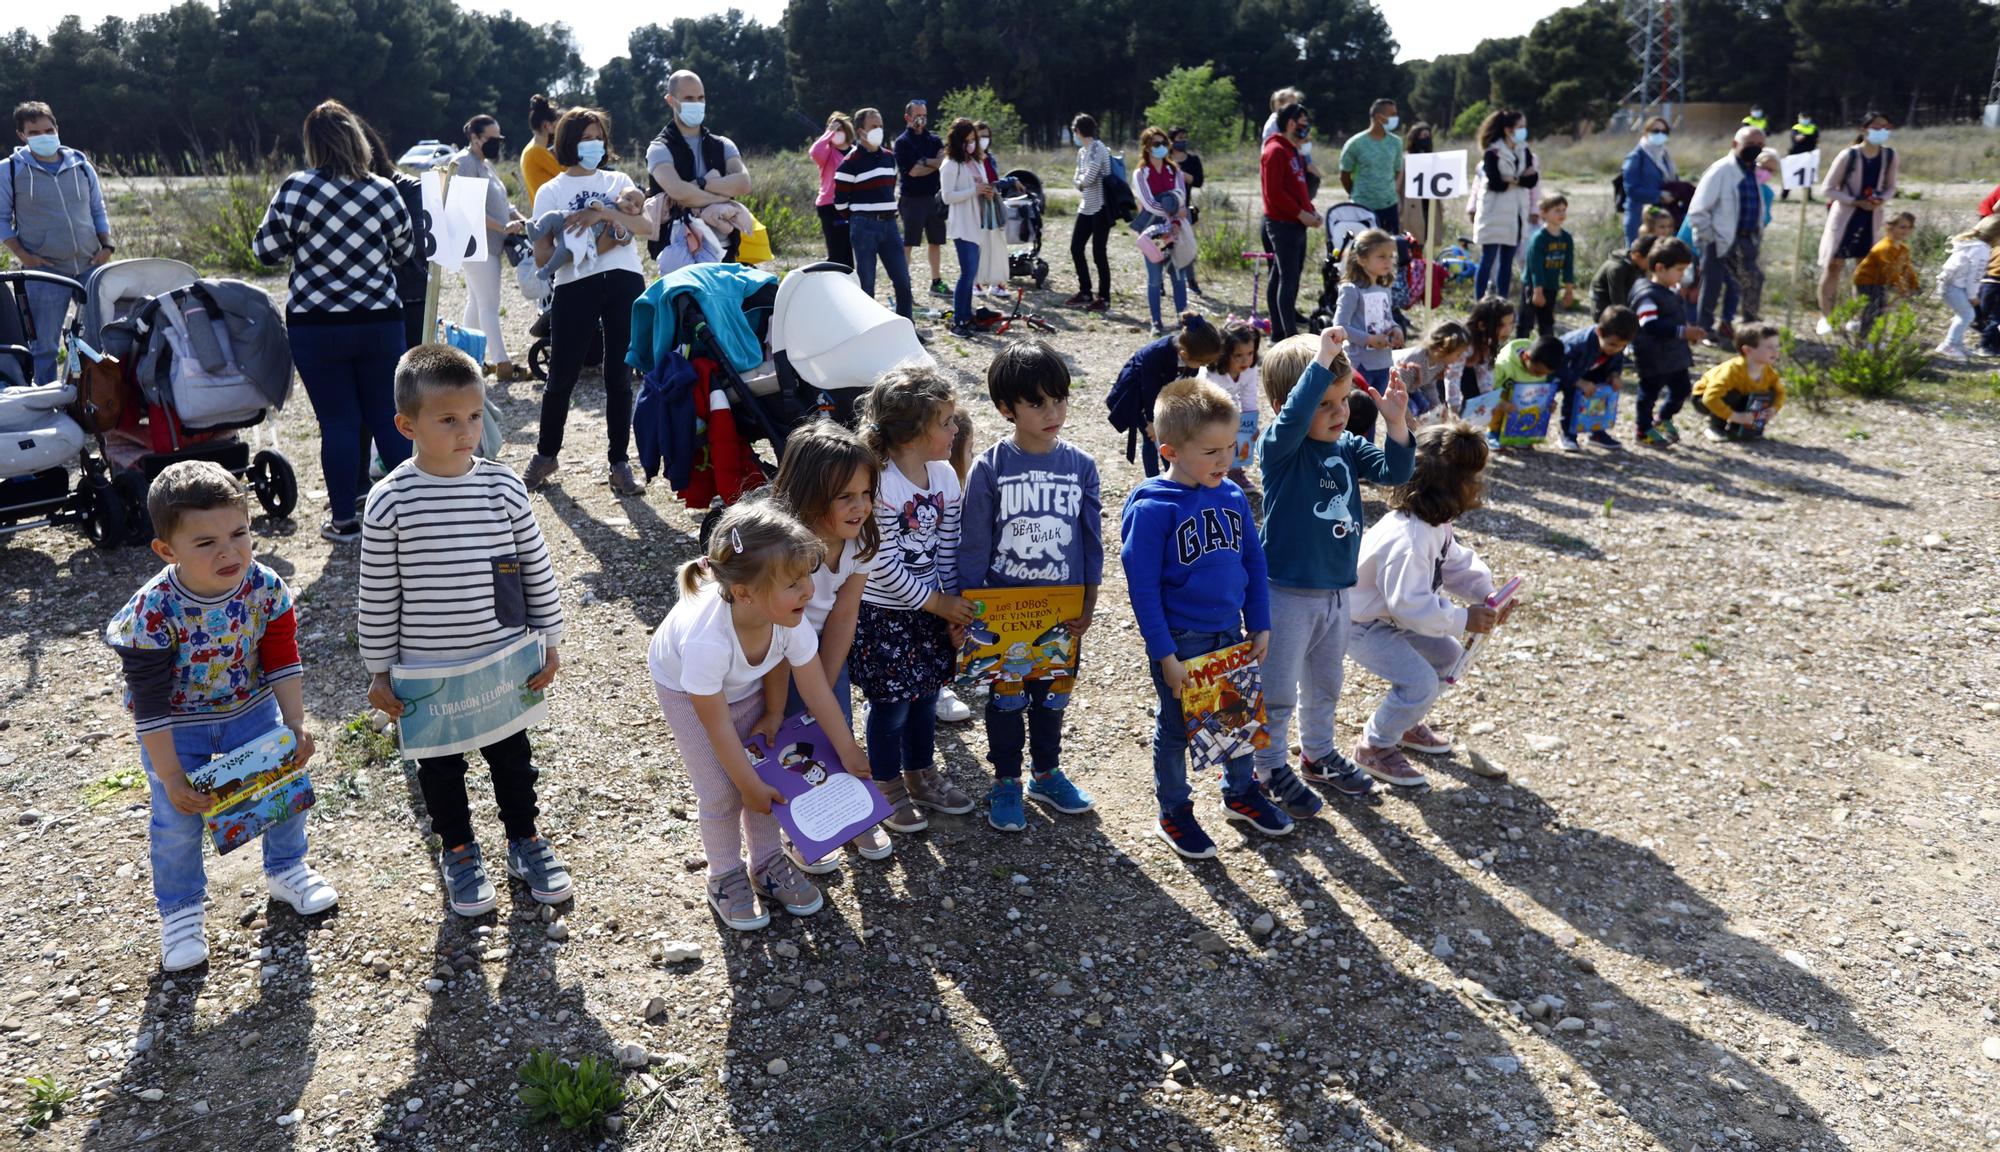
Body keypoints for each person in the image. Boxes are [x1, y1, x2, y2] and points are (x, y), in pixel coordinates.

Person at [357, 345, 568, 915]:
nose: (466, 430)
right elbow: (378, 595)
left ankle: (524, 840)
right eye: (447, 420)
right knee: (441, 767)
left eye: (475, 416)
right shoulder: (390, 503)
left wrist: (549, 639)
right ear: (407, 425)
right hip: (428, 671)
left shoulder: (503, 489)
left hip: (502, 659)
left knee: (512, 756)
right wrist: (379, 670)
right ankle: (458, 848)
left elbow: (535, 568)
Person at [105, 460, 337, 971]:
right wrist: (169, 774)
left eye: (239, 533)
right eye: (205, 543)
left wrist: (294, 722)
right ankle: (181, 913)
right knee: (176, 816)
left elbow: (281, 656)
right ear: (167, 551)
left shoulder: (265, 587)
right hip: (176, 722)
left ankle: (286, 870)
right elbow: (149, 704)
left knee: (279, 789)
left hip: (249, 705)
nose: (229, 551)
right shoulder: (151, 614)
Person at [647, 500, 867, 931]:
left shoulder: (786, 616)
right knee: (722, 791)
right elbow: (715, 724)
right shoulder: (707, 642)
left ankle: (767, 863)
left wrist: (847, 748)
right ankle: (725, 874)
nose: (809, 590)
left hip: (741, 682)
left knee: (769, 773)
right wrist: (747, 784)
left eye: (808, 575)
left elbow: (817, 690)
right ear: (744, 592)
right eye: (793, 582)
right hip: (687, 691)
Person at [1252, 327, 1415, 797]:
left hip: (1336, 593)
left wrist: (1396, 423)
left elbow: (1396, 473)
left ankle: (1317, 754)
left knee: (1325, 685)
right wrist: (1322, 357)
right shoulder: (1280, 448)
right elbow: (1296, 414)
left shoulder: (1346, 446)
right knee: (1278, 692)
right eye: (1324, 403)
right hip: (1285, 594)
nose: (1340, 412)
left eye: (1343, 401)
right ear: (1293, 404)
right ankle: (1266, 768)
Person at [1120, 376, 1279, 858]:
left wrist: (1261, 620)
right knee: (1175, 728)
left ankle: (1241, 793)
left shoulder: (1230, 495)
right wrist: (1164, 653)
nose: (1225, 460)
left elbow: (1254, 562)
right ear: (1169, 450)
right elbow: (1142, 589)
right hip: (1182, 640)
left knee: (1237, 717)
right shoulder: (1152, 508)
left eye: (1230, 447)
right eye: (1211, 452)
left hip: (1230, 630)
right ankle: (1174, 810)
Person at [956, 340, 1103, 833]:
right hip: (1004, 613)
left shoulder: (1080, 465)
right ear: (1006, 408)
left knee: (1053, 695)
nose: (1052, 411)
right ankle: (1006, 780)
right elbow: (973, 543)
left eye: (1059, 399)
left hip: (1061, 612)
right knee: (1006, 697)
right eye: (1037, 402)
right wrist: (969, 608)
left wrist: (1090, 599)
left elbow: (1090, 540)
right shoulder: (990, 467)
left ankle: (1046, 771)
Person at [252, 99, 414, 543]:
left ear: (312, 145)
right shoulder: (383, 190)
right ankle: (410, 517)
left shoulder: (297, 188)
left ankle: (344, 518)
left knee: (339, 422)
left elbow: (263, 251)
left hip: (317, 323)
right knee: (388, 416)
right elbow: (403, 253)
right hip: (379, 318)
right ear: (358, 141)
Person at [1347, 422, 1510, 790]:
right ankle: (1374, 744)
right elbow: (1409, 606)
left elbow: (1455, 563)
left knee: (1450, 658)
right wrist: (1462, 618)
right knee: (1418, 681)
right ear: (1454, 488)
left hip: (1391, 614)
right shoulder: (1410, 538)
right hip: (1360, 623)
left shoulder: (1433, 523)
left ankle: (1403, 723)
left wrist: (1486, 595)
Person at [764, 420, 896, 872]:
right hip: (775, 645)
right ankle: (799, 829)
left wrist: (823, 674)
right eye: (846, 497)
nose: (861, 507)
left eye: (866, 493)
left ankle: (850, 813)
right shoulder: (787, 547)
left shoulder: (862, 541)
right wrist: (806, 678)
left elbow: (845, 612)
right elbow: (775, 626)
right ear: (809, 496)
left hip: (822, 645)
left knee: (836, 720)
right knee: (786, 735)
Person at [853, 366, 979, 834]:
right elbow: (880, 561)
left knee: (927, 696)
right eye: (946, 421)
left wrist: (950, 604)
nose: (955, 430)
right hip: (885, 612)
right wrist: (935, 603)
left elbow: (948, 545)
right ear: (913, 431)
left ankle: (920, 773)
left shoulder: (944, 475)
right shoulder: (879, 480)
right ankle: (886, 785)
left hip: (929, 608)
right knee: (891, 705)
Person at [525, 109, 654, 495]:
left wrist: (603, 213)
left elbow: (645, 227)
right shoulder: (551, 189)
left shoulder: (619, 180)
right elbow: (541, 254)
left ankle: (619, 462)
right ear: (568, 142)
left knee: (620, 375)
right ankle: (546, 454)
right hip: (574, 284)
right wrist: (600, 241)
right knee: (561, 374)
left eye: (599, 136)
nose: (594, 144)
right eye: (585, 137)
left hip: (623, 281)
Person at [1, 101, 113, 382]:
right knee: (44, 347)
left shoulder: (81, 164)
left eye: (48, 129)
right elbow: (1, 219)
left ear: (57, 128)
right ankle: (46, 406)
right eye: (35, 132)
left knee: (104, 340)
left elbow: (97, 209)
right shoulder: (9, 170)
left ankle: (101, 404)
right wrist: (25, 257)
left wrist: (107, 247)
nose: (44, 136)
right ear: (21, 135)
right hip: (45, 270)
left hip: (90, 265)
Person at [646, 70, 754, 260]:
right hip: (678, 250)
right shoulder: (659, 149)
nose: (696, 104)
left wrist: (702, 183)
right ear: (671, 101)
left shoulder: (723, 145)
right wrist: (723, 195)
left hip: (724, 248)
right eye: (689, 98)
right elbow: (680, 193)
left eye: (701, 98)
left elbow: (744, 184)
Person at [451, 115, 527, 382]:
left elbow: (499, 202)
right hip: (477, 245)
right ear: (475, 138)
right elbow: (467, 208)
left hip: (489, 244)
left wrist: (515, 216)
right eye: (493, 139)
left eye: (499, 139)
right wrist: (502, 227)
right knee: (489, 304)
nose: (497, 144)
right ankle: (502, 362)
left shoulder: (485, 164)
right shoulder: (464, 163)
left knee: (476, 302)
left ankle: (463, 359)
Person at [1106, 313, 1224, 477]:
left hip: (1165, 393)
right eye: (1202, 363)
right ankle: (1153, 479)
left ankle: (1172, 475)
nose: (1204, 367)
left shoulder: (1191, 352)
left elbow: (1184, 382)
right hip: (1139, 397)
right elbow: (1149, 390)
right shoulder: (1156, 354)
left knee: (1171, 438)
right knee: (1150, 439)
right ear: (1184, 355)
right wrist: (1151, 422)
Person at [1816, 112, 1899, 332]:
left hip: (1871, 218)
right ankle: (1826, 317)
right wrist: (1854, 201)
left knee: (1863, 269)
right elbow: (1828, 188)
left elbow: (1891, 186)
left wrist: (1880, 199)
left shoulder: (1890, 156)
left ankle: (1857, 316)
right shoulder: (1848, 156)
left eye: (1885, 127)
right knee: (1834, 266)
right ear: (1864, 129)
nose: (1882, 131)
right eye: (1876, 127)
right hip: (1846, 217)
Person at [1686, 125, 1768, 340]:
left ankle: (1750, 327)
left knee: (1753, 280)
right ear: (1735, 144)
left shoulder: (1752, 172)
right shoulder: (1721, 170)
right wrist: (1708, 236)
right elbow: (1698, 209)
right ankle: (1704, 329)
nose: (1756, 149)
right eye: (1750, 144)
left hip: (1745, 239)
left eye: (1760, 145)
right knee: (1711, 285)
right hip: (1717, 239)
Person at [834, 108, 915, 321]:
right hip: (864, 227)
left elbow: (891, 187)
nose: (879, 130)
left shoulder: (889, 158)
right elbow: (840, 202)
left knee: (903, 280)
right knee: (867, 283)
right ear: (861, 131)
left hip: (890, 226)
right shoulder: (849, 163)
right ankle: (866, 328)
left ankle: (907, 326)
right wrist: (858, 218)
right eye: (874, 127)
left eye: (881, 126)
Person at [1628, 237, 1705, 446]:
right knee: (1648, 394)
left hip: (1673, 355)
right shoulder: (1647, 295)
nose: (1682, 275)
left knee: (1681, 389)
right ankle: (1643, 430)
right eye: (1679, 270)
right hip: (1652, 356)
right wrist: (1682, 332)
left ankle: (1663, 418)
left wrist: (1688, 333)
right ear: (1660, 268)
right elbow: (1649, 325)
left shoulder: (1668, 290)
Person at [1260, 103, 1321, 340]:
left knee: (1281, 275)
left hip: (1297, 223)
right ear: (1291, 123)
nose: (1306, 126)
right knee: (1288, 278)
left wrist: (1311, 211)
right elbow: (1274, 193)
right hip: (1282, 224)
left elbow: (1298, 187)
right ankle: (1287, 334)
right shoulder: (1274, 150)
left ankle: (1279, 330)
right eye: (1303, 121)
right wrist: (1300, 214)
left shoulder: (1292, 150)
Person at [1334, 228, 1403, 434]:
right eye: (1381, 256)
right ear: (1362, 260)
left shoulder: (1384, 288)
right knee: (1358, 417)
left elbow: (1386, 318)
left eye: (1390, 256)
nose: (1388, 261)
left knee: (1373, 417)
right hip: (1359, 365)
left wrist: (1396, 328)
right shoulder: (1351, 290)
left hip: (1383, 363)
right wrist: (1369, 339)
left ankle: (1367, 459)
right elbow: (1340, 326)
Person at [939, 117, 997, 338]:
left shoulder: (977, 161)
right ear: (957, 141)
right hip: (962, 225)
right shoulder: (950, 164)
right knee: (967, 273)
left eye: (973, 139)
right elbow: (947, 197)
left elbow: (982, 186)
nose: (971, 144)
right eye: (967, 140)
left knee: (971, 274)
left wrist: (987, 191)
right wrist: (975, 190)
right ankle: (958, 320)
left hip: (978, 223)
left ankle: (967, 316)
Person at [1551, 306, 1637, 451]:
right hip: (1563, 374)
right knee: (1573, 397)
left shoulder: (1614, 345)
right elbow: (1556, 364)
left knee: (1601, 394)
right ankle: (1568, 434)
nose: (1616, 349)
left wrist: (1614, 375)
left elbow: (1616, 361)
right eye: (1613, 344)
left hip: (1590, 372)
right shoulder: (1577, 343)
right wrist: (1578, 381)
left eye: (1622, 346)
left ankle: (1596, 432)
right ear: (1599, 332)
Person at [1473, 108, 1538, 300]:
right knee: (1488, 258)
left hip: (1516, 213)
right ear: (1508, 129)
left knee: (1507, 262)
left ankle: (1502, 301)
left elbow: (1532, 179)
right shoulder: (1493, 152)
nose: (1523, 131)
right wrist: (1518, 179)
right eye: (1520, 127)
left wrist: (1512, 179)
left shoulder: (1524, 150)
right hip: (1494, 213)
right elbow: (1495, 182)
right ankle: (1479, 301)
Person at [1132, 126, 1190, 335]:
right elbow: (1148, 203)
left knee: (1178, 277)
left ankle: (1183, 321)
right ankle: (1156, 322)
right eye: (1156, 144)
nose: (1161, 148)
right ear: (1146, 148)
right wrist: (1172, 211)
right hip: (1152, 232)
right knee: (1155, 278)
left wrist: (1174, 218)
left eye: (1164, 143)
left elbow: (1181, 197)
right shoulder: (1140, 174)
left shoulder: (1175, 171)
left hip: (1175, 230)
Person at [893, 99, 948, 298]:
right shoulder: (902, 142)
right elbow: (913, 172)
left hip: (934, 198)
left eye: (924, 114)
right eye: (917, 114)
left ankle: (936, 282)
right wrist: (931, 163)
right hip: (912, 199)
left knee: (936, 241)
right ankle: (904, 286)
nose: (921, 118)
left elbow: (942, 163)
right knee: (909, 243)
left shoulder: (934, 140)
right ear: (907, 117)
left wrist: (925, 161)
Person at [1696, 321, 1786, 441]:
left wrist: (1773, 409)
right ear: (1747, 350)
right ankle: (1716, 427)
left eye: (1777, 346)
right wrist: (1734, 416)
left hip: (1736, 398)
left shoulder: (1769, 373)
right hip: (1703, 398)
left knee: (1768, 393)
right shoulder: (1732, 370)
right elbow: (1710, 398)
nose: (1775, 351)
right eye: (1769, 347)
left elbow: (1780, 393)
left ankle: (1739, 429)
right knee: (1732, 395)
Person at [1201, 320, 1263, 487]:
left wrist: (1251, 423)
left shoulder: (1250, 369)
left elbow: (1248, 396)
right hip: (1205, 408)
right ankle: (1209, 474)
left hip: (1229, 405)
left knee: (1245, 431)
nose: (1245, 360)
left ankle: (1236, 472)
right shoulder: (1213, 374)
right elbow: (1212, 404)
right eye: (1238, 355)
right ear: (1225, 353)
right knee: (1216, 440)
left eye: (1250, 353)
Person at [1934, 215, 2000, 360]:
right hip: (1953, 287)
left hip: (1949, 284)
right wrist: (1972, 296)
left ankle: (1957, 345)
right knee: (1967, 315)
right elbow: (1975, 276)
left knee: (1965, 315)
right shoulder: (1982, 250)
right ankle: (1949, 345)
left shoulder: (1972, 243)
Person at [1483, 334, 1564, 451]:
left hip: (1526, 400)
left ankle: (1520, 437)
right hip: (1503, 398)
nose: (1539, 376)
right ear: (1526, 357)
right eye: (1537, 372)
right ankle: (1493, 432)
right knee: (1502, 396)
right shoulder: (1505, 365)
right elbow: (1487, 387)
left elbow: (1543, 389)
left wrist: (1549, 402)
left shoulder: (1541, 366)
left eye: (1544, 374)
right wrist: (1501, 403)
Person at [1065, 114, 1113, 311]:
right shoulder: (1081, 152)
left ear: (1077, 131)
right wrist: (1080, 182)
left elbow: (1089, 178)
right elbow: (1079, 176)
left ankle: (1104, 297)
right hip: (1085, 206)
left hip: (1101, 207)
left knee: (1098, 252)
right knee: (1076, 248)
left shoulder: (1099, 149)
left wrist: (1079, 182)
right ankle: (1085, 290)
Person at [1340, 98, 1405, 235]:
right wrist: (1357, 194)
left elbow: (1398, 170)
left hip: (1389, 205)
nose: (1395, 118)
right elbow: (1345, 175)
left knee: (1390, 248)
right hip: (1362, 206)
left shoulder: (1396, 143)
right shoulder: (1355, 143)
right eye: (1391, 114)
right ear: (1378, 117)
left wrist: (1392, 191)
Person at [1517, 193, 1575, 340]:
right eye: (1557, 210)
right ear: (1543, 213)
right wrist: (1537, 291)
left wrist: (1569, 291)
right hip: (1532, 286)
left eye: (1563, 210)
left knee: (1547, 323)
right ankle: (1518, 352)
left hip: (1551, 286)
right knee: (1526, 323)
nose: (1561, 214)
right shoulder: (1539, 238)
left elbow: (1568, 265)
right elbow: (1535, 268)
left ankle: (1546, 354)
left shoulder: (1566, 238)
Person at [1853, 211, 1918, 336]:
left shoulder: (1903, 248)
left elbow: (1907, 269)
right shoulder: (1885, 247)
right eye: (1902, 227)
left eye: (1910, 227)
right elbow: (1889, 270)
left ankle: (1872, 337)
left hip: (1879, 282)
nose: (1906, 231)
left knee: (1881, 309)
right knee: (1873, 309)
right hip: (1867, 280)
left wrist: (1914, 285)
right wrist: (1902, 289)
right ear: (1890, 227)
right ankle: (1864, 339)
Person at [1392, 320, 1472, 421]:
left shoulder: (1439, 362)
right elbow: (1397, 393)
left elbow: (1429, 386)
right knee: (1413, 410)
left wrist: (1437, 407)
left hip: (1410, 388)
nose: (1460, 358)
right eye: (1458, 354)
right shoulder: (1413, 363)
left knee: (1427, 410)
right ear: (1444, 348)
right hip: (1395, 388)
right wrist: (1408, 418)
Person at [809, 111, 856, 268]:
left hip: (852, 206)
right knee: (836, 251)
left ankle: (850, 284)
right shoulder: (827, 153)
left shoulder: (855, 151)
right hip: (830, 206)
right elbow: (814, 152)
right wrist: (829, 132)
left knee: (849, 251)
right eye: (833, 129)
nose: (837, 133)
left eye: (839, 129)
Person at [1621, 117, 1677, 243]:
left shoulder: (1665, 157)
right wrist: (1659, 195)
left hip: (1661, 219)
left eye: (1664, 131)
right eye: (1656, 131)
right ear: (1646, 132)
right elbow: (1631, 189)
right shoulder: (1636, 157)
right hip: (1639, 218)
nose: (1660, 134)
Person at [1462, 295, 1516, 413]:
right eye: (1502, 325)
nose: (1508, 330)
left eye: (1511, 323)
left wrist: (1491, 402)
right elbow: (1452, 378)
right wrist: (1454, 407)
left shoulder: (1488, 342)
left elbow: (1485, 376)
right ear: (1482, 325)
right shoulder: (1464, 345)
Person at [1169, 127, 1206, 293]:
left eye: (1185, 137)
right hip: (1166, 208)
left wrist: (1181, 173)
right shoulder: (1165, 159)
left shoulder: (1193, 160)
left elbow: (1198, 181)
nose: (1182, 141)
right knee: (1164, 246)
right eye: (1179, 138)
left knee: (1187, 246)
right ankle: (1163, 283)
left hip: (1185, 208)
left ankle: (1191, 280)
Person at [1593, 234, 1654, 319]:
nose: (1651, 265)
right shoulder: (1617, 268)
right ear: (1637, 255)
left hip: (1624, 305)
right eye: (1650, 260)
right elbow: (1617, 300)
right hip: (1605, 311)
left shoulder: (1637, 264)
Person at [521, 94, 563, 209]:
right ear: (547, 125)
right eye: (557, 125)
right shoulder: (537, 152)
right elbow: (567, 175)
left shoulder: (532, 149)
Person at [1403, 122, 1435, 249]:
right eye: (1423, 136)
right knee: (1412, 240)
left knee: (1424, 239)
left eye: (1428, 136)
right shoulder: (1406, 158)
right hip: (1412, 205)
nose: (1426, 139)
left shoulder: (1432, 158)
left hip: (1427, 204)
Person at [1782, 113, 1817, 202]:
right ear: (1799, 118)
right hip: (1795, 155)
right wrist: (1808, 138)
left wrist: (1804, 137)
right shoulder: (1795, 128)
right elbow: (1796, 138)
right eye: (1803, 118)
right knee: (1790, 175)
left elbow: (1816, 139)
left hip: (1809, 155)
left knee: (1808, 176)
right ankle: (1784, 196)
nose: (1805, 120)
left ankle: (1808, 197)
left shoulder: (1813, 128)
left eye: (1806, 117)